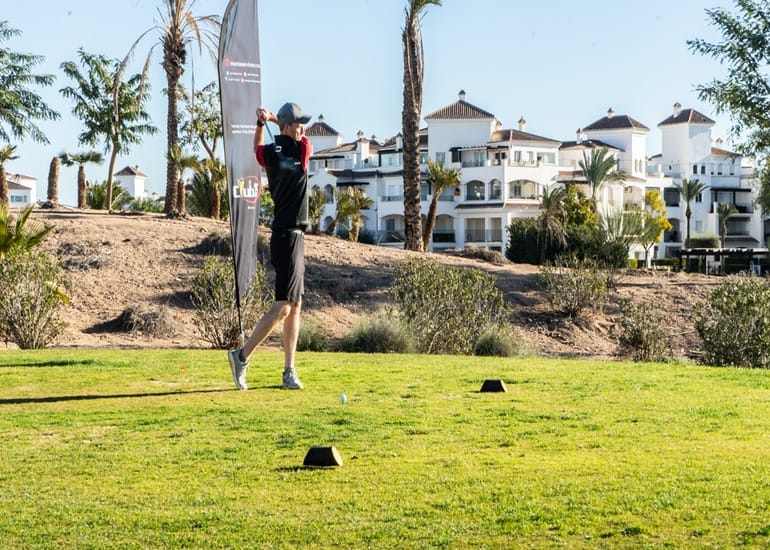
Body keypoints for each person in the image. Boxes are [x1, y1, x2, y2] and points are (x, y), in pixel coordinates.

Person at [228, 102, 313, 390]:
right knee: (283, 307)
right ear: (288, 126)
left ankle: (289, 372)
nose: (302, 129)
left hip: (289, 236)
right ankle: (241, 356)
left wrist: (261, 123)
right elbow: (300, 139)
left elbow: (257, 149)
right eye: (298, 124)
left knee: (295, 305)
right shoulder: (302, 151)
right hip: (288, 236)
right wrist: (274, 119)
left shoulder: (272, 153)